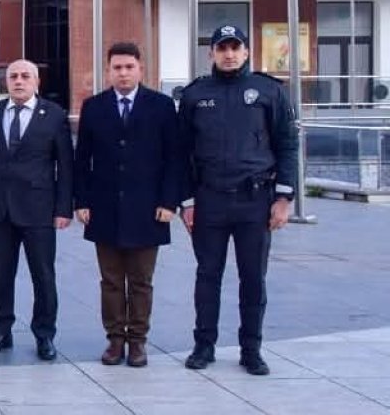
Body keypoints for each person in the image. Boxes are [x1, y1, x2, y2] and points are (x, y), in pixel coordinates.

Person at [178, 24, 298, 376]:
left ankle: (251, 349)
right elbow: (180, 152)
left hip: (255, 201)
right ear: (211, 53)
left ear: (246, 51)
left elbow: (287, 145)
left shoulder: (268, 91)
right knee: (207, 277)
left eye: (235, 47)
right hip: (209, 200)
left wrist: (284, 198)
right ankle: (204, 345)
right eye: (221, 48)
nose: (229, 54)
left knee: (253, 279)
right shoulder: (195, 95)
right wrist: (187, 202)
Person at [73, 42, 183, 367]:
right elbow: (82, 160)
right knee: (109, 280)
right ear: (108, 71)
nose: (123, 73)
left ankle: (137, 341)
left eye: (129, 67)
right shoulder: (94, 106)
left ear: (140, 69)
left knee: (140, 281)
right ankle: (114, 341)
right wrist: (82, 201)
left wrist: (169, 202)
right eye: (117, 68)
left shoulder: (161, 107)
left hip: (148, 209)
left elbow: (173, 158)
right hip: (104, 208)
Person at [0, 59, 73, 361]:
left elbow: (65, 166)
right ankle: (0, 331)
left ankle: (44, 335)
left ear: (36, 82)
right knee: (0, 274)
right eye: (13, 76)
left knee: (43, 276)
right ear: (6, 81)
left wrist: (63, 208)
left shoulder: (54, 115)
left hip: (39, 210)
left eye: (25, 76)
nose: (19, 81)